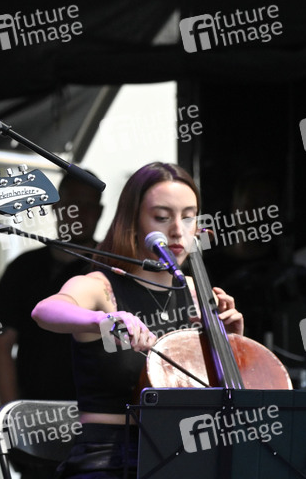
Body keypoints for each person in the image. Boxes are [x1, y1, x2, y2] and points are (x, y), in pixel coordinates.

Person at [31, 162, 243, 478]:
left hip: (182, 456)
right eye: (162, 217)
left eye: (188, 217)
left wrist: (234, 344)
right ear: (133, 222)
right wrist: (103, 319)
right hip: (110, 459)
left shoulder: (198, 294)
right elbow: (45, 310)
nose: (177, 230)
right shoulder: (101, 287)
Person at [0, 173, 103, 479]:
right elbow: (0, 344)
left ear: (101, 211)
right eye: (73, 203)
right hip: (36, 420)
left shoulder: (110, 270)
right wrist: (14, 416)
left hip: (97, 422)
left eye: (89, 205)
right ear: (57, 207)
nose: (80, 213)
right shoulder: (23, 268)